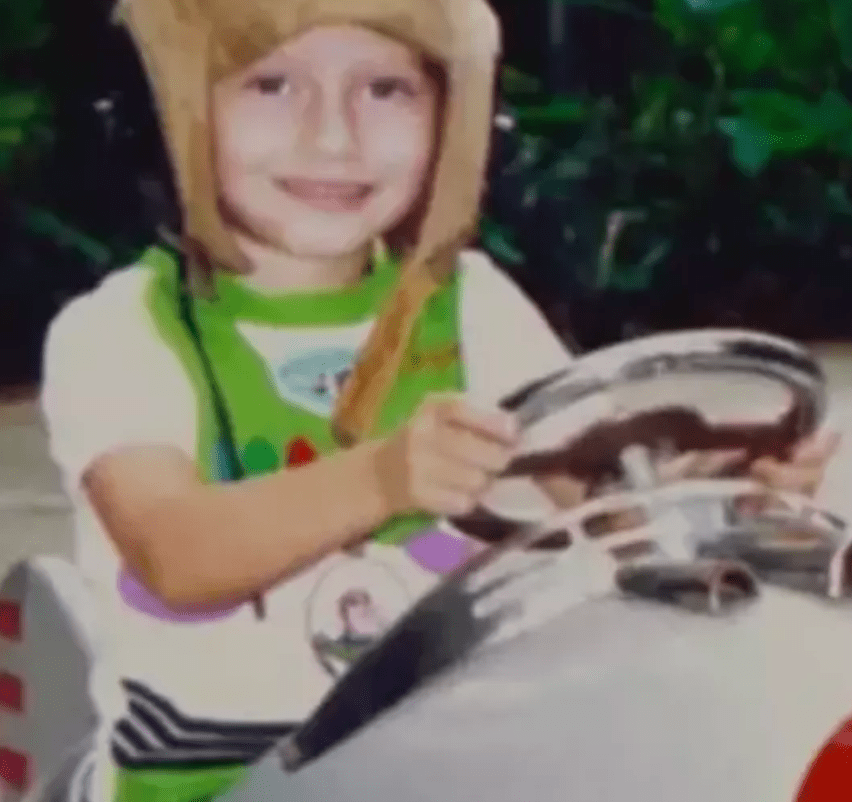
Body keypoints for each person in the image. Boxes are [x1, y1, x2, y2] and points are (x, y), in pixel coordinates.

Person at [40, 0, 838, 800]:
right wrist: (381, 478)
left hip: (454, 761)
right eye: (272, 85)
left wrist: (713, 497)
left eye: (385, 90)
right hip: (219, 782)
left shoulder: (472, 306)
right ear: (159, 109)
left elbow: (592, 503)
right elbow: (175, 553)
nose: (334, 137)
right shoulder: (121, 331)